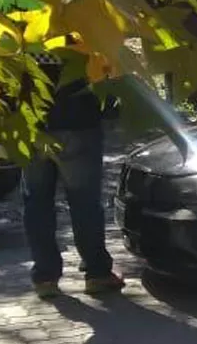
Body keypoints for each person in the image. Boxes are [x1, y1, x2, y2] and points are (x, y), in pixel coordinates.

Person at [23, 61, 124, 299]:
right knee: (84, 201)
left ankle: (45, 277)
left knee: (37, 201)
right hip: (78, 120)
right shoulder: (80, 27)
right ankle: (97, 273)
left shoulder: (18, 27)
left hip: (32, 123)